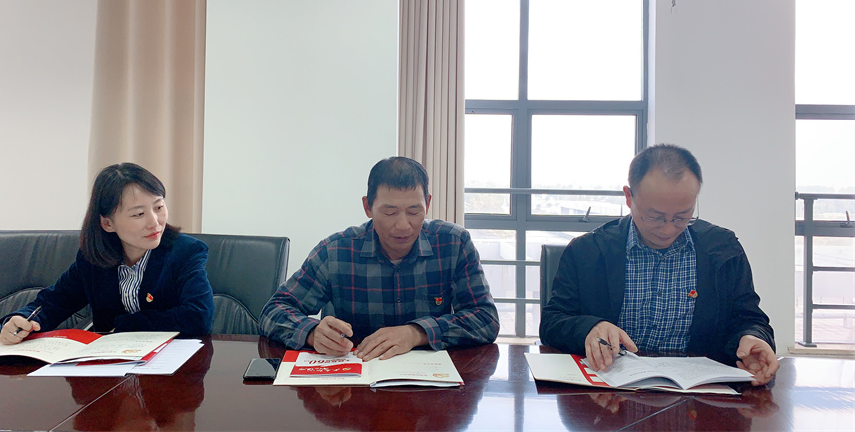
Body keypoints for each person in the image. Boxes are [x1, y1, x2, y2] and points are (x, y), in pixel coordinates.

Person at [539, 144, 778, 385]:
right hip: (610, 391)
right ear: (629, 197)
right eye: (655, 216)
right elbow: (552, 323)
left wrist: (753, 337)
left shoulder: (723, 251)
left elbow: (749, 319)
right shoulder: (588, 252)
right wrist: (590, 327)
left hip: (699, 392)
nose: (668, 229)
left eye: (682, 217)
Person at [260, 156, 499, 361]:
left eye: (414, 211)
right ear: (368, 207)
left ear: (427, 204)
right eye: (389, 212)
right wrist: (312, 332)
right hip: (354, 383)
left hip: (429, 385)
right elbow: (273, 311)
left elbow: (486, 319)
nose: (403, 225)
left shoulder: (453, 243)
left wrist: (417, 333)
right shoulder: (336, 252)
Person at [0, 163, 214, 344]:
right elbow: (54, 302)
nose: (154, 222)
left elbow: (199, 316)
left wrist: (124, 325)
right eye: (138, 214)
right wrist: (20, 321)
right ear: (107, 223)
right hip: (108, 370)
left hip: (172, 370)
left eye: (158, 207)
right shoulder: (93, 258)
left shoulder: (186, 252)